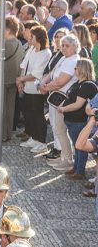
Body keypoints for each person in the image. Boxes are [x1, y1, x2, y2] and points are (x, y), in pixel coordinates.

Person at [38, 34, 80, 165]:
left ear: (74, 47)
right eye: (62, 45)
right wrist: (43, 82)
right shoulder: (64, 58)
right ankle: (64, 156)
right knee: (57, 128)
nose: (64, 48)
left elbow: (61, 82)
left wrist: (45, 87)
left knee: (61, 129)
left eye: (67, 46)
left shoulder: (73, 60)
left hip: (64, 100)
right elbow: (52, 73)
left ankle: (67, 159)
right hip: (55, 98)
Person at [55, 58, 98, 176]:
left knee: (80, 146)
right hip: (71, 120)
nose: (74, 70)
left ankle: (79, 171)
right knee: (76, 145)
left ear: (82, 69)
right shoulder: (78, 83)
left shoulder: (88, 85)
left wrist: (63, 109)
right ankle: (76, 167)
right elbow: (69, 98)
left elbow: (78, 104)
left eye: (76, 68)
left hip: (79, 121)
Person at [17, 26, 51, 151]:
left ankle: (41, 141)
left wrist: (21, 79)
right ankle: (33, 137)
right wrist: (20, 81)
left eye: (32, 36)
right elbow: (24, 65)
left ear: (39, 38)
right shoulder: (31, 49)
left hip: (37, 89)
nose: (29, 38)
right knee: (28, 113)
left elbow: (37, 73)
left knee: (37, 114)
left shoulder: (46, 53)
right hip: (27, 87)